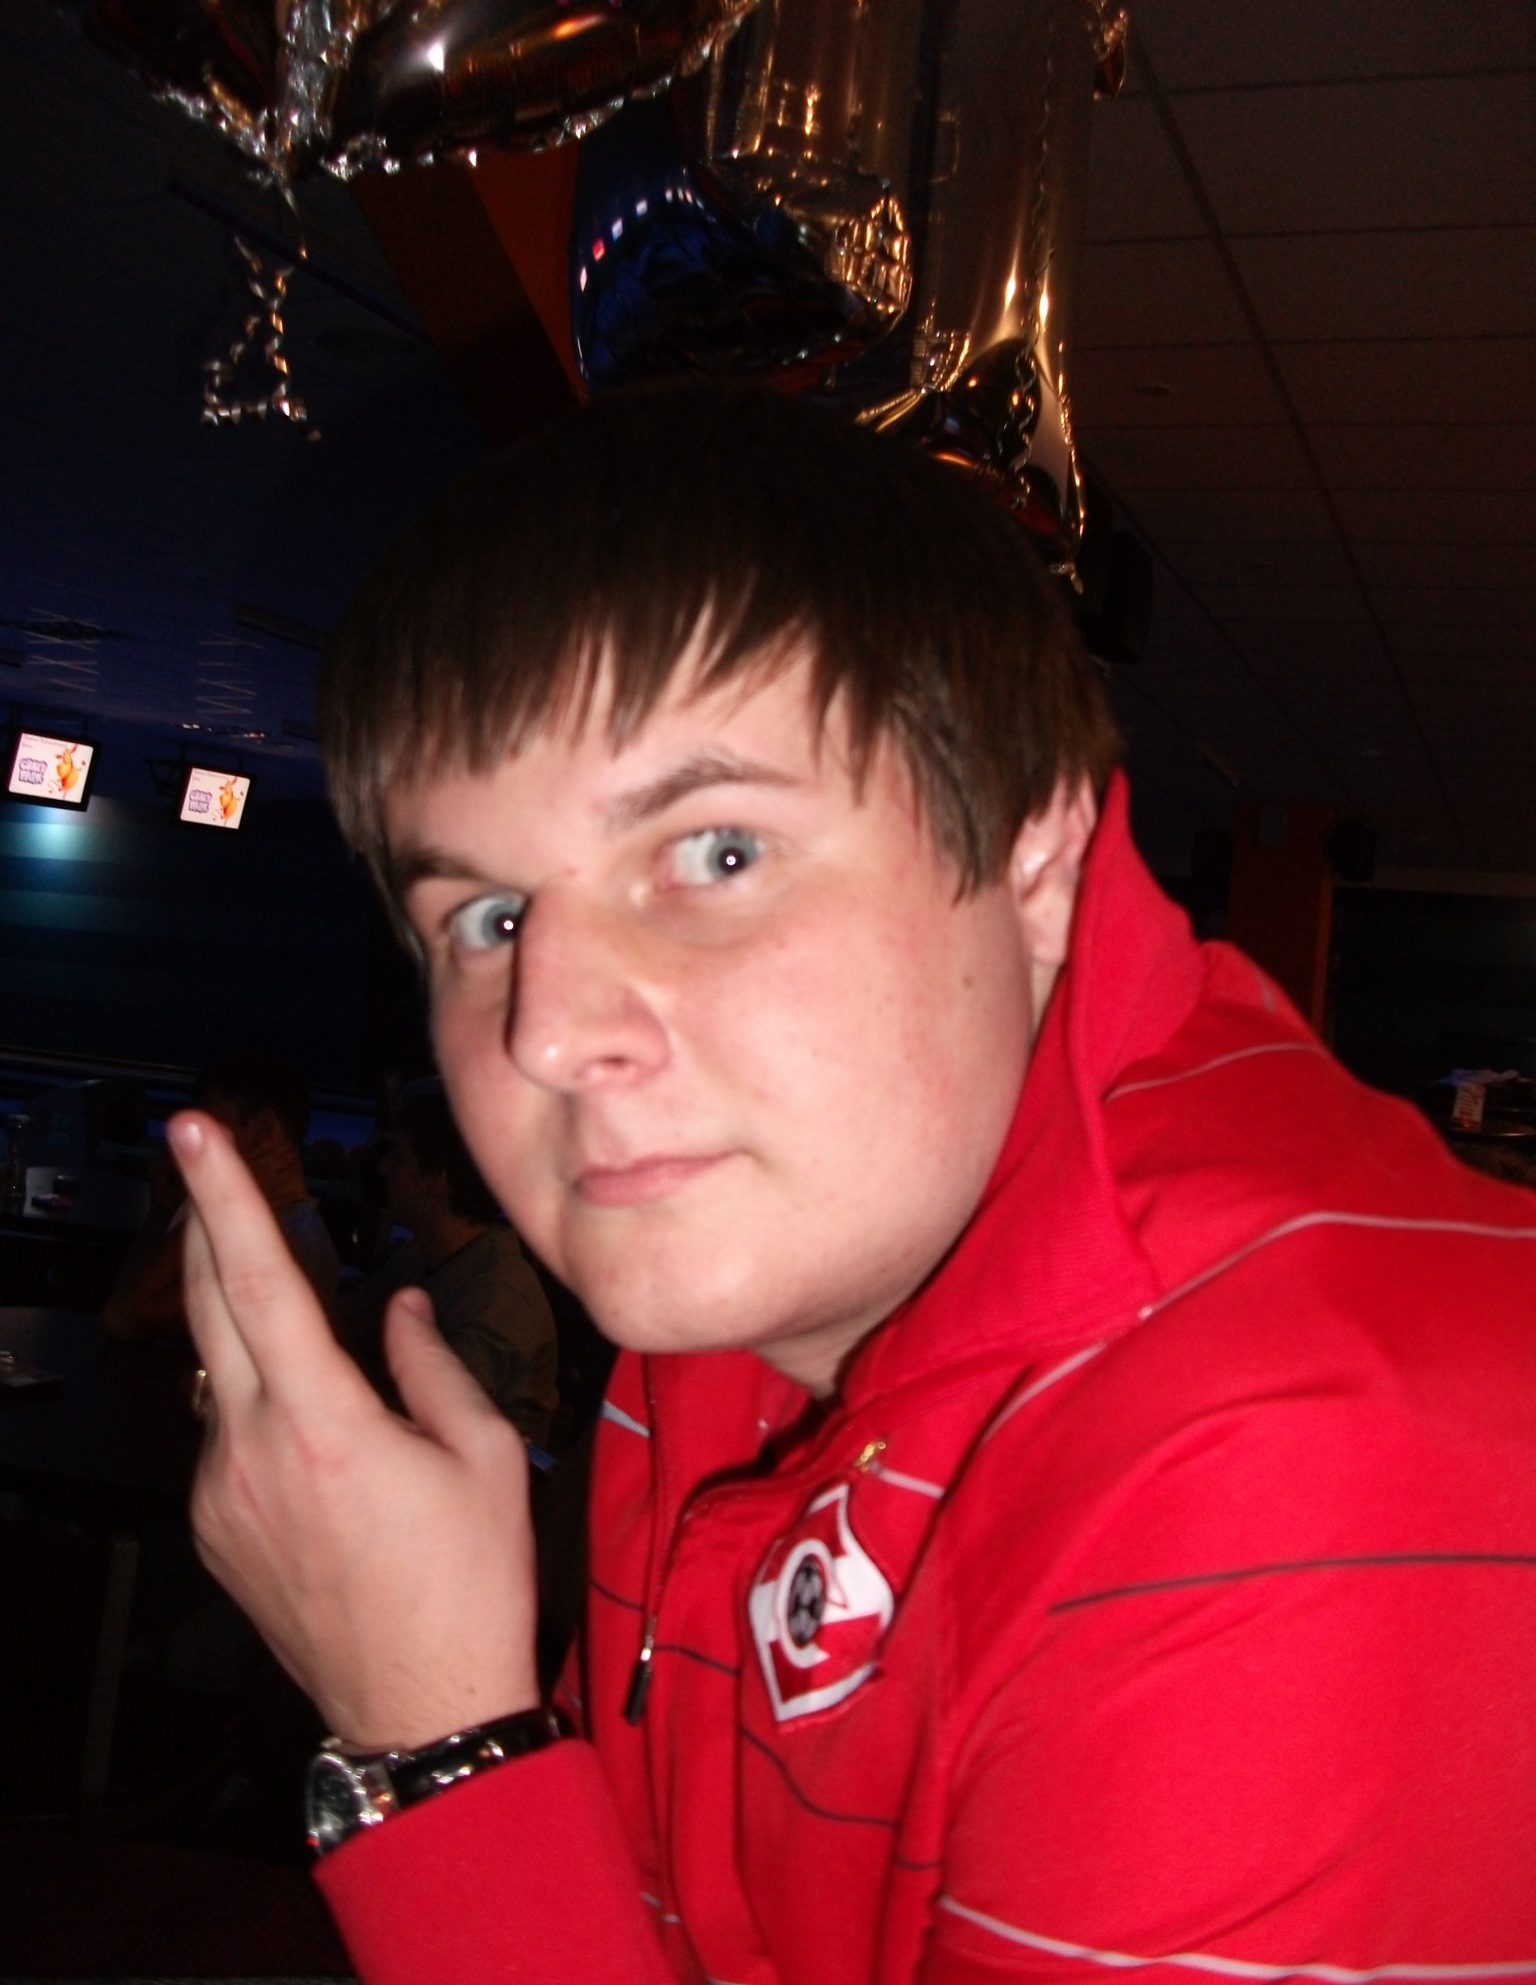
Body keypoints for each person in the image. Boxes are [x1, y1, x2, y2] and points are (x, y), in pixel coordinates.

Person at [169, 383, 1536, 1983]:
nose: (549, 1033)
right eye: (490, 918)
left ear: (1035, 863)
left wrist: (430, 1742)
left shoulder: (1306, 1441)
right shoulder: (749, 1282)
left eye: (718, 853)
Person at [341, 1088, 559, 1447]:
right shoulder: (421, 1255)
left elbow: (424, 1421)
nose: (384, 1168)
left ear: (436, 1181)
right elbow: (351, 1322)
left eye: (399, 1158)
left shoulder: (499, 1298)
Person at [102, 1050, 339, 1338]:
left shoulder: (285, 1240)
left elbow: (126, 1311)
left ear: (264, 1130)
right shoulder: (266, 1225)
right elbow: (120, 1307)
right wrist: (162, 1212)